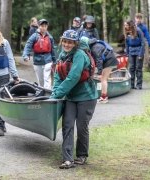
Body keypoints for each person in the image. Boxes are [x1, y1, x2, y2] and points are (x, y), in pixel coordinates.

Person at [50, 30, 98, 169]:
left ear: (75, 43)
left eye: (70, 42)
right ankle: (67, 159)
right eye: (65, 41)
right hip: (71, 97)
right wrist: (55, 92)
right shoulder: (62, 55)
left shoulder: (80, 55)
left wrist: (57, 95)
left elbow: (73, 78)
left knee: (82, 127)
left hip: (86, 97)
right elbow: (58, 76)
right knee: (67, 125)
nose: (66, 44)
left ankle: (82, 156)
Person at [79, 37, 118, 104]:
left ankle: (104, 98)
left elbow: (99, 60)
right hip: (108, 60)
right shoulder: (93, 45)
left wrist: (99, 73)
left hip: (110, 61)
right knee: (104, 78)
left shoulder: (95, 48)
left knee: (103, 79)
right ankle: (103, 97)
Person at [22, 19, 56, 89]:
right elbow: (28, 45)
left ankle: (48, 93)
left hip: (48, 60)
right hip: (37, 60)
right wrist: (25, 55)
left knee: (47, 77)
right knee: (41, 80)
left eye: (45, 26)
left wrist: (55, 60)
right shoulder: (34, 36)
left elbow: (52, 49)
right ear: (39, 26)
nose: (43, 27)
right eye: (42, 26)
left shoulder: (50, 37)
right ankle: (42, 91)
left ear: (47, 27)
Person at [124, 20, 145, 90]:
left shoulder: (138, 31)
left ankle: (139, 85)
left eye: (126, 25)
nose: (125, 26)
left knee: (138, 68)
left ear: (130, 25)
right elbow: (127, 44)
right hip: (131, 52)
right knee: (131, 68)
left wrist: (141, 54)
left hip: (138, 51)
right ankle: (131, 85)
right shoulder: (127, 32)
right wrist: (127, 54)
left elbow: (143, 43)